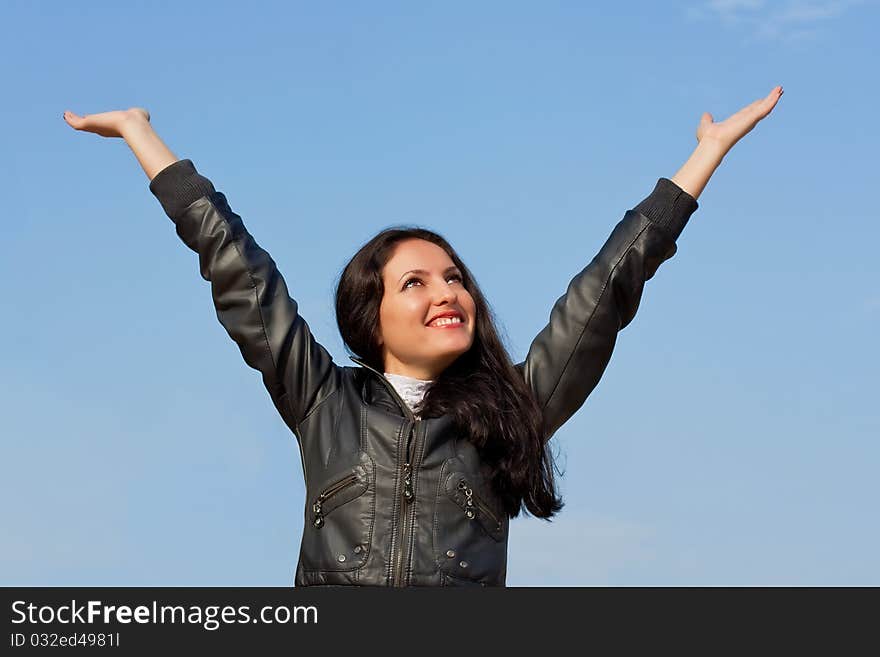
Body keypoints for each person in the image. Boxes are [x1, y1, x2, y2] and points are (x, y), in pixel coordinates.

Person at [63, 86, 783, 586]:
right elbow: (237, 269)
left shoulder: (513, 409)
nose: (448, 292)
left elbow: (605, 291)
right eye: (416, 282)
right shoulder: (324, 403)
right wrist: (140, 134)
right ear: (368, 317)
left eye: (455, 278)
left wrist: (702, 159)